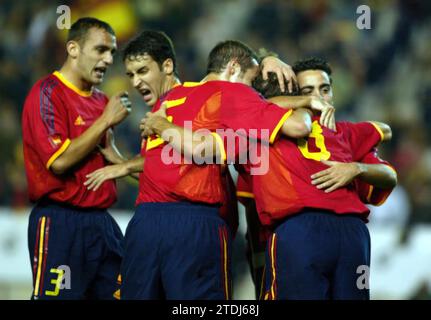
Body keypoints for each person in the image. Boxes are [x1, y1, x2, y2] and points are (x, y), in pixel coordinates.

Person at [137, 40, 337, 299]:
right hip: (196, 225)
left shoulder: (170, 99)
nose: (253, 89)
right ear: (233, 68)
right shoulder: (232, 94)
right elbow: (293, 123)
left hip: (144, 221)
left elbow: (148, 161)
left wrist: (268, 57)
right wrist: (308, 100)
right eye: (251, 80)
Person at [238, 68, 398, 299]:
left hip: (308, 231)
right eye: (308, 91)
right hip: (348, 234)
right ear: (294, 96)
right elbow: (383, 130)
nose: (318, 98)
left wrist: (356, 168)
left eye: (324, 89)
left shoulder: (263, 132)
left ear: (333, 91)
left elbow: (390, 168)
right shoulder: (344, 133)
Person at [22, 17, 131, 300]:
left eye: (112, 53)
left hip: (102, 224)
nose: (108, 60)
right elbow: (58, 162)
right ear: (73, 49)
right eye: (100, 50)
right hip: (61, 223)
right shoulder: (47, 93)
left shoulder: (101, 101)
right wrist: (105, 121)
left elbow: (110, 160)